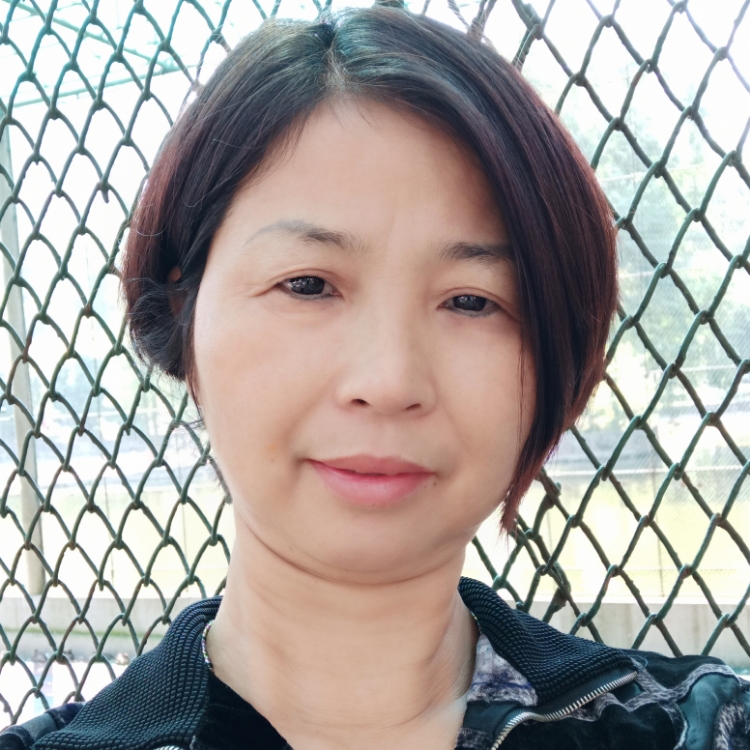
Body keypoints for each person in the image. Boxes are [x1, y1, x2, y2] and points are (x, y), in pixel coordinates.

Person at [2, 6, 748, 750]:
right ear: (184, 312)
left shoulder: (698, 728)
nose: (389, 381)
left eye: (471, 300)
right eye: (308, 285)